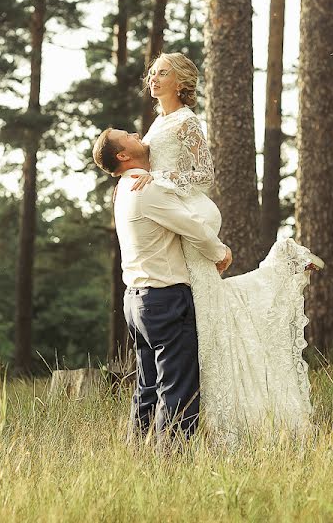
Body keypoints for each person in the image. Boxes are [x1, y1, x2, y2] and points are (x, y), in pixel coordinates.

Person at [132, 52, 323, 444]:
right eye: (152, 73)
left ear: (181, 82)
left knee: (204, 309)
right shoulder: (158, 122)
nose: (153, 78)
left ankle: (220, 420)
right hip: (173, 213)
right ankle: (187, 419)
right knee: (205, 308)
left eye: (162, 72)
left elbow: (205, 174)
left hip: (193, 213)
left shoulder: (187, 121)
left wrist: (157, 178)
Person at [92, 127, 232, 447]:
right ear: (123, 155)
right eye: (126, 135)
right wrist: (220, 253)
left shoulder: (127, 189)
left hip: (138, 300)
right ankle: (171, 466)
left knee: (149, 387)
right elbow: (192, 227)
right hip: (164, 297)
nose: (134, 132)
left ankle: (140, 457)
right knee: (179, 390)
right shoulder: (146, 189)